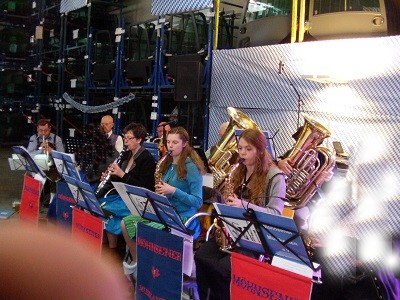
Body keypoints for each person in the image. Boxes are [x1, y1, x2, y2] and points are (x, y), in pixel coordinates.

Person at [194, 128, 286, 300]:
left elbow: (276, 213)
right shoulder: (239, 170)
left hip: (256, 238)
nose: (242, 153)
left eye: (248, 149)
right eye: (240, 148)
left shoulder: (275, 176)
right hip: (233, 232)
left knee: (224, 268)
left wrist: (244, 205)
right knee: (201, 256)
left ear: (260, 150)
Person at [121, 126, 206, 279]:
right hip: (165, 213)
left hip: (184, 218)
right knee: (126, 223)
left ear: (184, 144)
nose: (170, 146)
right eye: (168, 142)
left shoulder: (191, 167)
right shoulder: (166, 163)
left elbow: (198, 201)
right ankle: (137, 263)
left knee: (150, 230)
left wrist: (173, 191)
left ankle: (154, 273)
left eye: (175, 142)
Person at [98, 122, 156, 250]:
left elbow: (143, 187)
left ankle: (113, 249)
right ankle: (106, 248)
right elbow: (118, 179)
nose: (125, 141)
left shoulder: (147, 159)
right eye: (124, 137)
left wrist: (122, 174)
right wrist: (108, 177)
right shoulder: (127, 153)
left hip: (137, 201)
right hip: (123, 196)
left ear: (139, 140)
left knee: (107, 209)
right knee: (99, 204)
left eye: (129, 138)